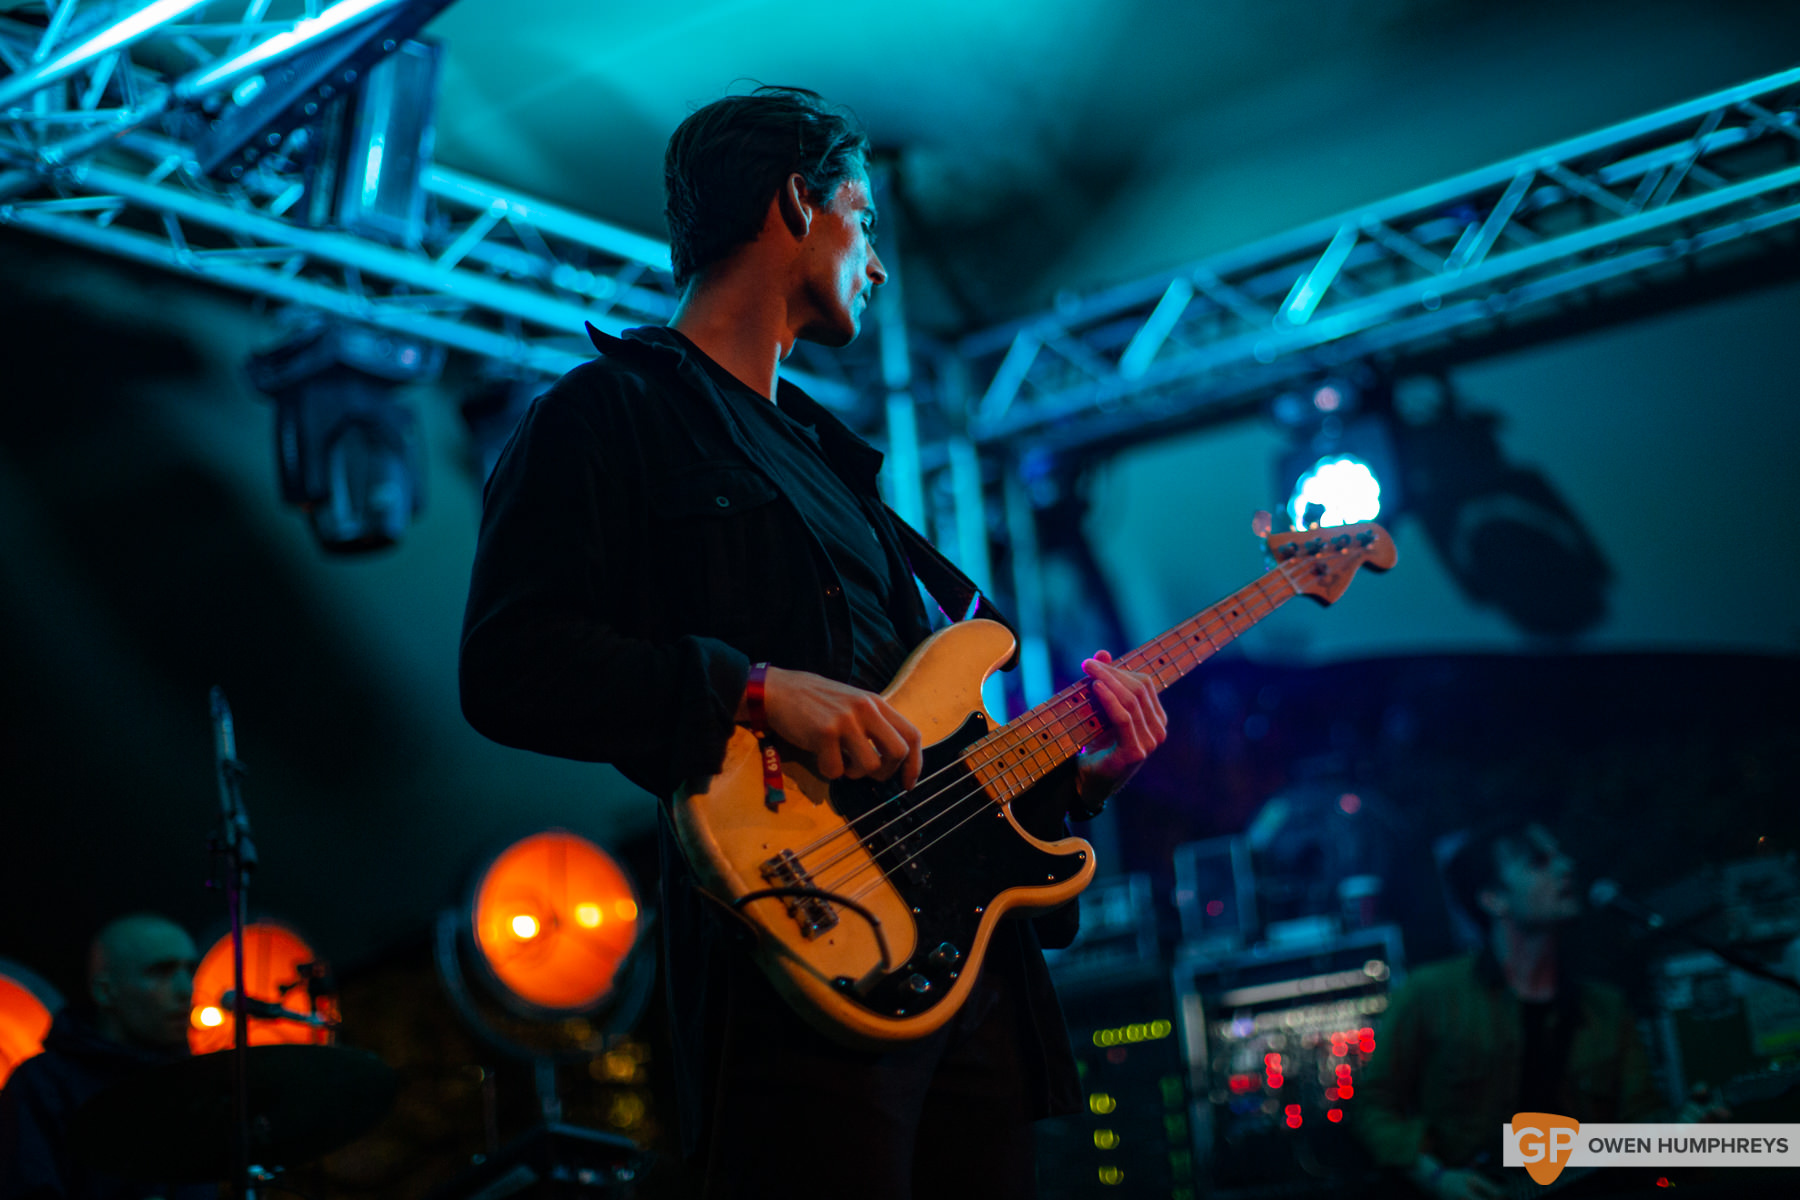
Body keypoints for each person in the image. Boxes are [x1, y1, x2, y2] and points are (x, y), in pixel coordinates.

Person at [458, 86, 1167, 1198]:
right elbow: (509, 667)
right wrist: (751, 690)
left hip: (964, 978)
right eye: (865, 217)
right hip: (789, 957)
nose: (879, 263)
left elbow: (921, 755)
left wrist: (1074, 791)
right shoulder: (609, 415)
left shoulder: (841, 468)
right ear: (797, 201)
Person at [1355, 820, 1701, 1199]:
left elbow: (1641, 1126)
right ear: (1493, 898)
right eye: (1538, 862)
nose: (1565, 867)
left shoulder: (1607, 1010)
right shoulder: (1430, 994)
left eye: (1560, 856)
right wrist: (1437, 1178)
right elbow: (1374, 1105)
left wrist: (1684, 1138)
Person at [0, 914, 212, 1200]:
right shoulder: (42, 1085)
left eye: (191, 971)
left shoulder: (201, 1083)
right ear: (104, 990)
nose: (185, 990)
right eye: (161, 972)